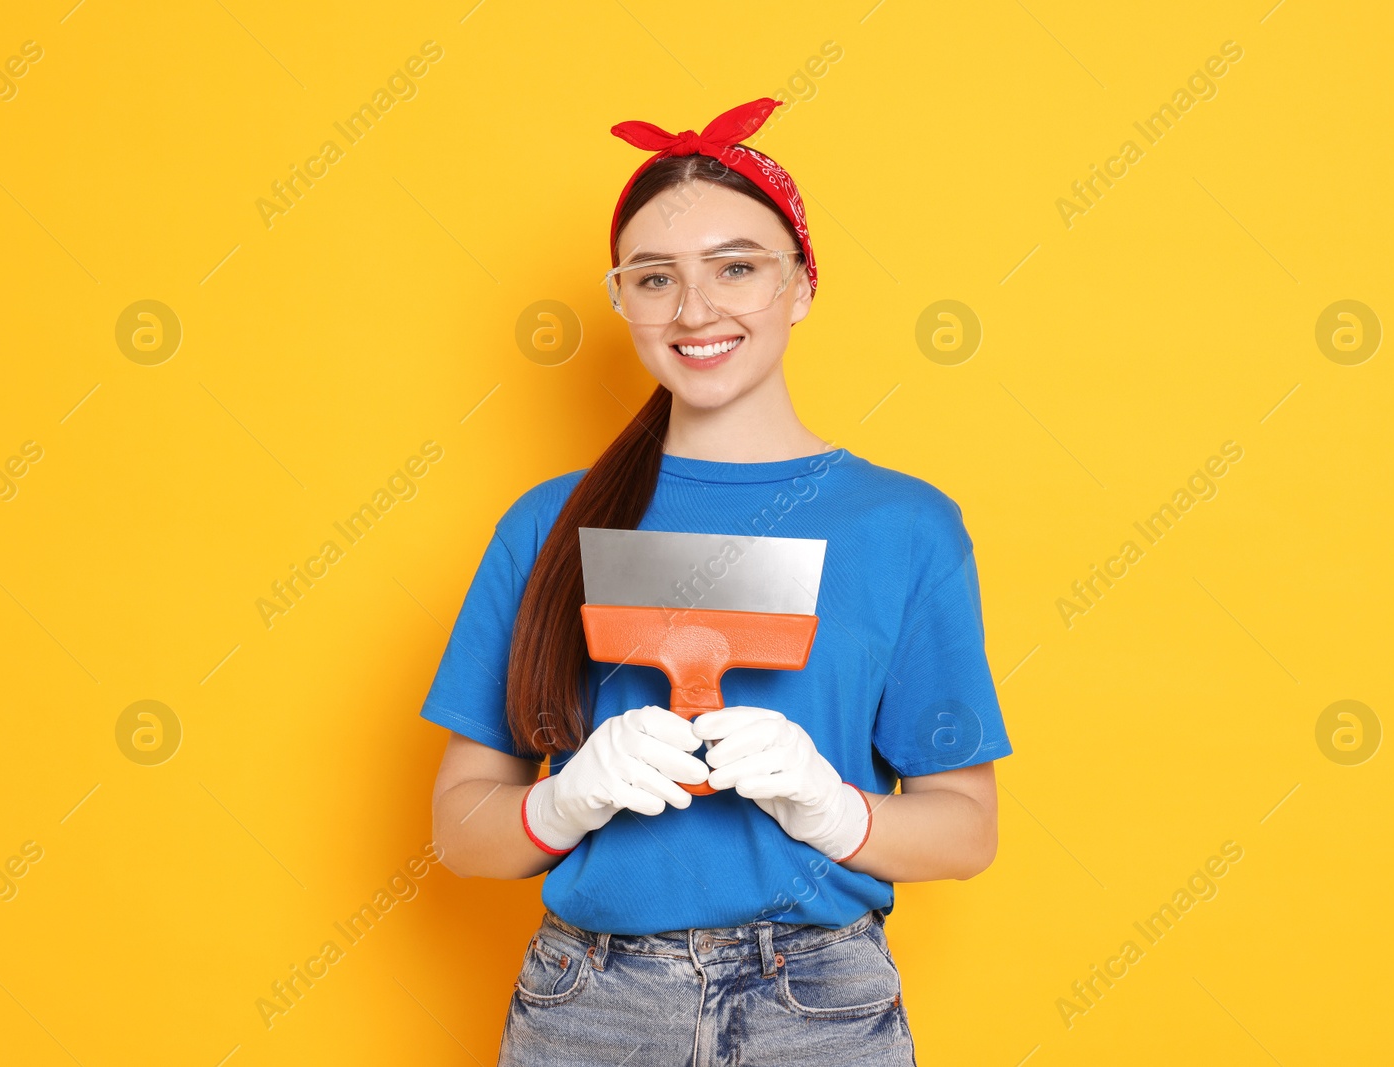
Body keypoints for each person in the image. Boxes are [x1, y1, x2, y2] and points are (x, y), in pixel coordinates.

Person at [421, 97, 1012, 1066]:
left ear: (802, 284)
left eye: (735, 267)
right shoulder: (548, 522)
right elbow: (459, 828)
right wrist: (560, 803)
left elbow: (966, 829)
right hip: (588, 1007)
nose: (695, 311)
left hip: (820, 1005)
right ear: (622, 298)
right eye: (656, 278)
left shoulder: (904, 525)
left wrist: (835, 806)